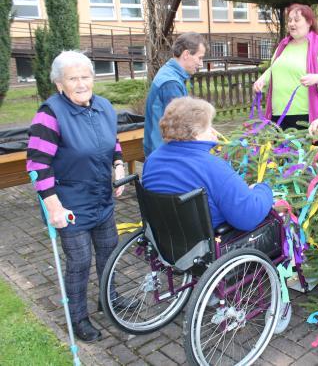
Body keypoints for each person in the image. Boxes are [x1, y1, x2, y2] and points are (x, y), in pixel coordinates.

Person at [26, 51, 130, 342]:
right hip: (69, 203)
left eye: (86, 76)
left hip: (101, 199)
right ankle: (78, 317)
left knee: (109, 251)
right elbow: (36, 163)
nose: (81, 83)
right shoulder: (50, 114)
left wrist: (119, 166)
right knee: (80, 261)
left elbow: (114, 142)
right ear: (60, 84)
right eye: (73, 78)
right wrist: (53, 205)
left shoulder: (105, 107)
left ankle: (108, 299)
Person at [142, 97, 273, 231]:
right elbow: (248, 217)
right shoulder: (213, 167)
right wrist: (263, 189)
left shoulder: (152, 160)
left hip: (167, 240)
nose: (213, 131)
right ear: (196, 133)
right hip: (212, 243)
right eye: (209, 126)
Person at [253, 3, 318, 130]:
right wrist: (261, 80)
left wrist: (317, 78)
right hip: (278, 114)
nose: (291, 24)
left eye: (296, 20)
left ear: (309, 22)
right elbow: (273, 69)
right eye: (289, 20)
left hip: (308, 116)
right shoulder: (283, 45)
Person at [143, 32, 206, 156]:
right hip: (163, 153)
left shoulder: (170, 73)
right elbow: (182, 126)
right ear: (186, 54)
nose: (201, 64)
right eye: (200, 58)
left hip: (160, 149)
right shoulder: (170, 83)